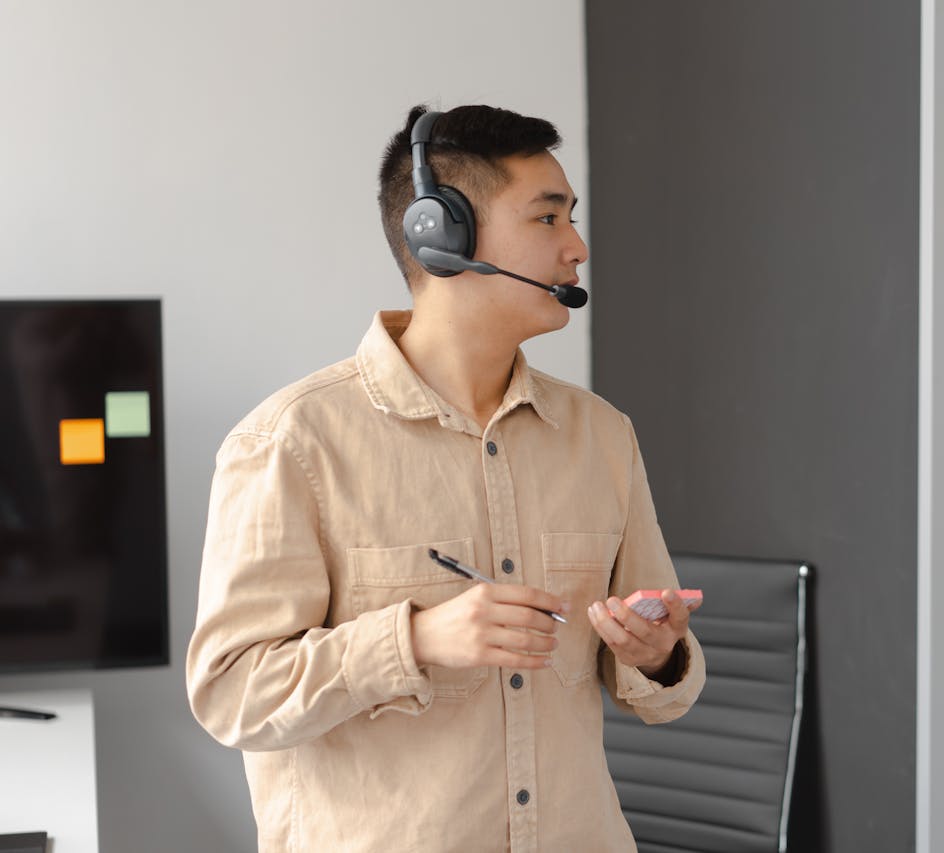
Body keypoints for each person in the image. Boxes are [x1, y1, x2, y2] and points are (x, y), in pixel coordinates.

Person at [185, 103, 705, 852]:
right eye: (548, 219)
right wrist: (416, 639)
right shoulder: (290, 442)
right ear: (444, 235)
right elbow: (231, 695)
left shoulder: (601, 436)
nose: (578, 247)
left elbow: (666, 690)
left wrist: (657, 653)